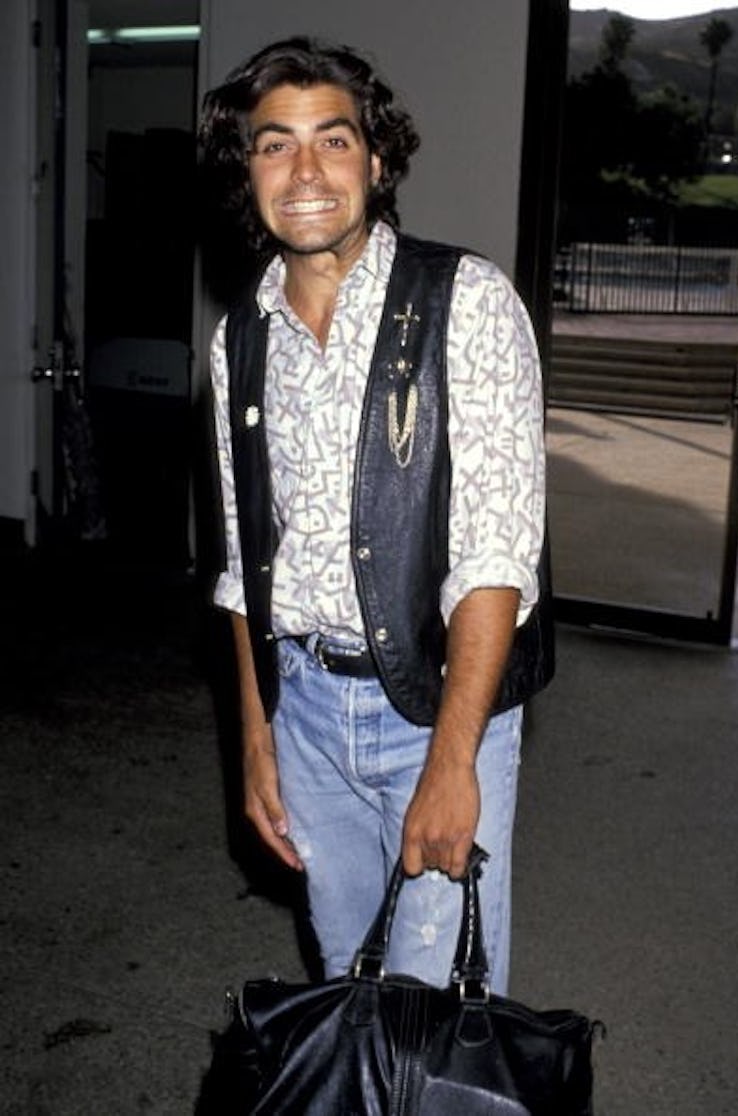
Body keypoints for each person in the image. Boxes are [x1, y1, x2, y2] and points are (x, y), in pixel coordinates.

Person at [199, 36, 553, 996]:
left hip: (435, 704)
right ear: (247, 171)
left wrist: (454, 760)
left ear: (376, 159)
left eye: (334, 141)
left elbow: (494, 557)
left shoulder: (465, 304)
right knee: (346, 991)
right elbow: (243, 563)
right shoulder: (241, 337)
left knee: (429, 1014)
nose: (306, 171)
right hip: (304, 709)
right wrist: (258, 737)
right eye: (275, 145)